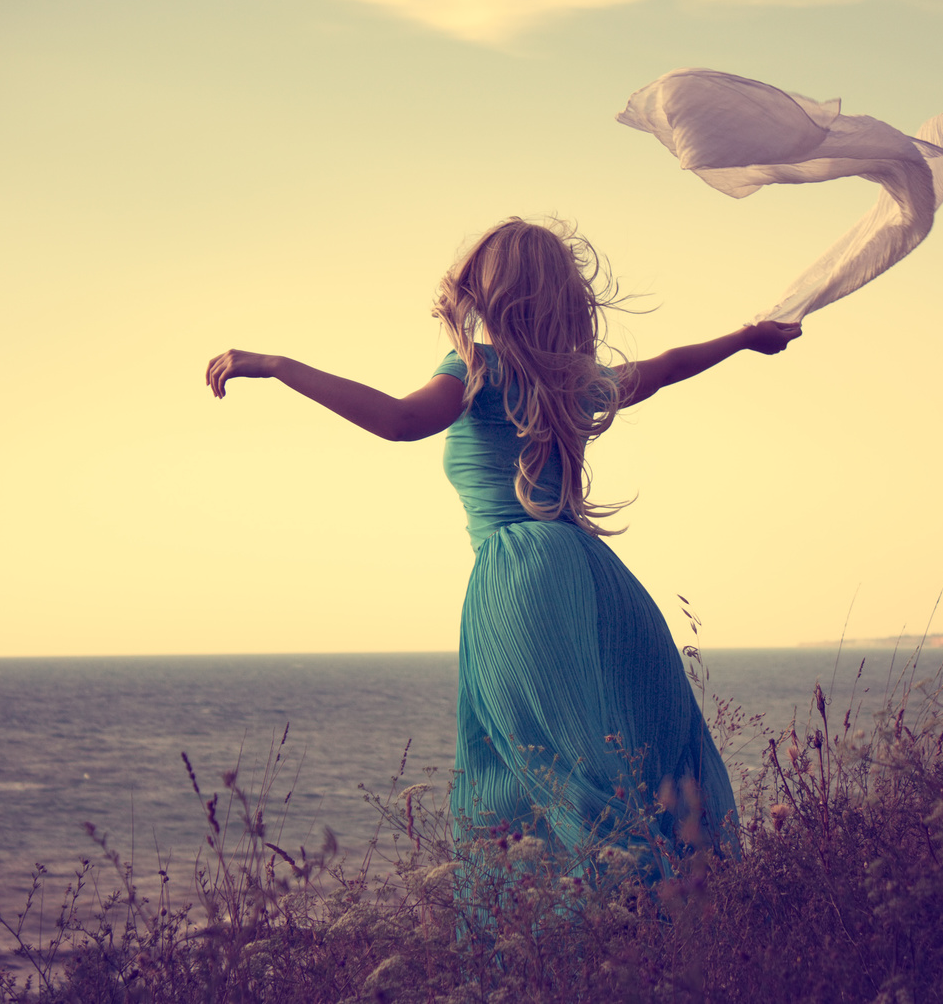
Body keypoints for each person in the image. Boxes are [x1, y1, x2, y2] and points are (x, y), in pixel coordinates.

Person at [205, 217, 801, 876]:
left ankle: (580, 930)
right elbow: (664, 369)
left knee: (533, 769)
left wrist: (277, 365)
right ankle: (671, 913)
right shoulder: (575, 378)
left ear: (488, 292)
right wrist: (747, 338)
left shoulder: (475, 369)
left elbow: (400, 422)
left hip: (523, 579)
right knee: (627, 752)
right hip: (599, 578)